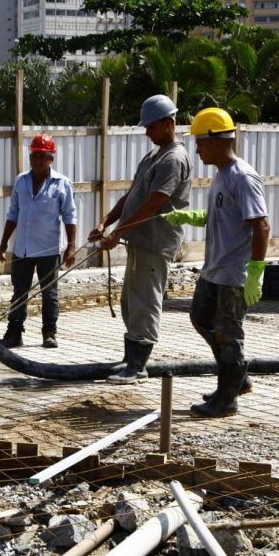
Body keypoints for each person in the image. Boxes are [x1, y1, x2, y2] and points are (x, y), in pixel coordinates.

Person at [163, 107, 270, 418]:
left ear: (219, 141)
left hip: (233, 275)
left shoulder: (243, 177)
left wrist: (256, 272)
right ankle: (237, 378)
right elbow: (222, 216)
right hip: (214, 270)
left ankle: (227, 399)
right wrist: (191, 217)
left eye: (201, 142)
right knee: (200, 317)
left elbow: (260, 224)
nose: (197, 149)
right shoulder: (221, 176)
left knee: (228, 334)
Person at [88, 95, 192, 383]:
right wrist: (105, 222)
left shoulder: (174, 158)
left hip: (156, 241)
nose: (147, 132)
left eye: (151, 127)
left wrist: (118, 231)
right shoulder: (153, 156)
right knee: (130, 302)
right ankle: (131, 360)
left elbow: (154, 202)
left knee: (145, 302)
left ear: (169, 124)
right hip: (139, 240)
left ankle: (138, 367)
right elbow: (131, 197)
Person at [0, 133, 77, 349]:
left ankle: (49, 332)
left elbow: (70, 216)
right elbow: (13, 212)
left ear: (51, 158)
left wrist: (71, 246)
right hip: (22, 248)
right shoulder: (21, 181)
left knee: (49, 293)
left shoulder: (62, 184)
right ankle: (15, 332)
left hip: (47, 249)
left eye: (42, 156)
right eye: (34, 155)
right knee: (19, 291)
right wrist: (4, 242)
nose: (37, 160)